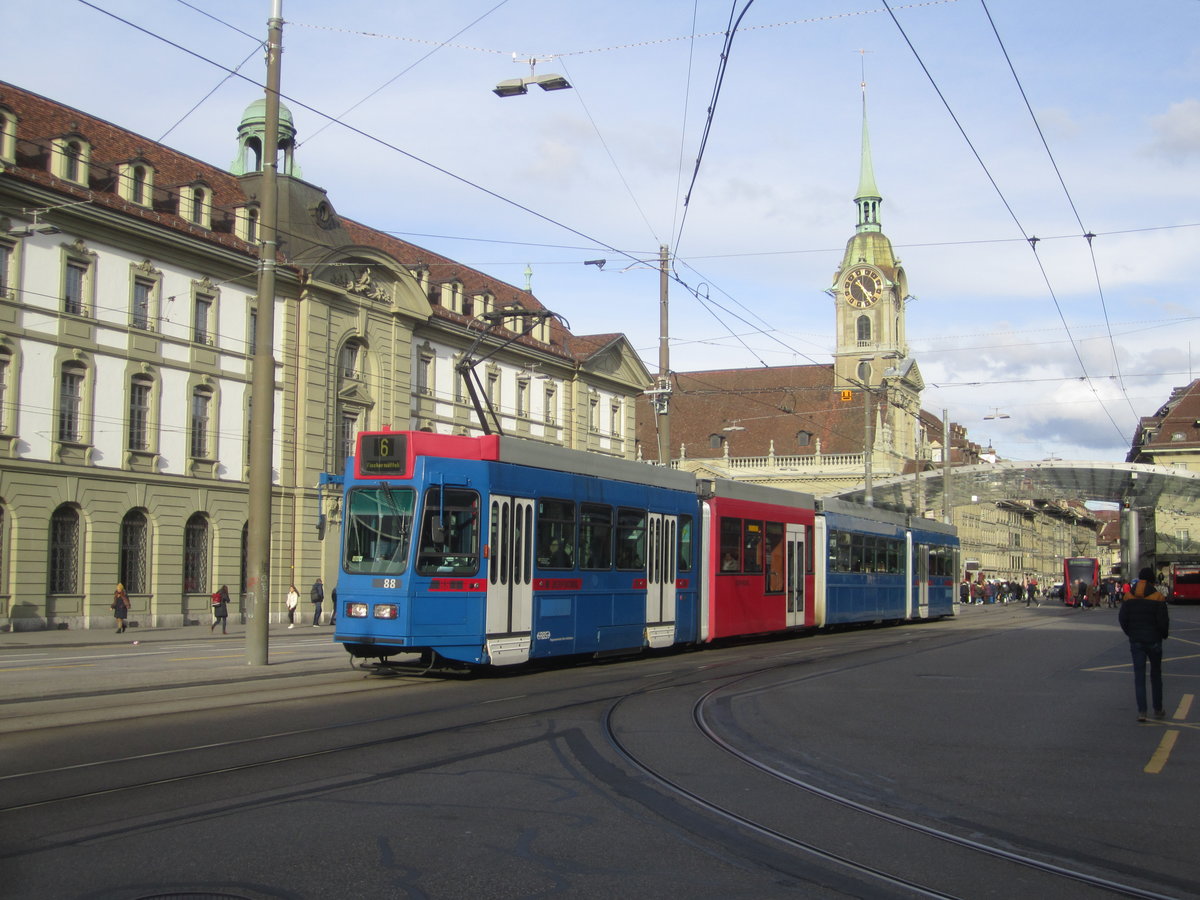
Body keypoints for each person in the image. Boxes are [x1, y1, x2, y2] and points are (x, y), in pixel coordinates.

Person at [1119, 567, 1170, 722]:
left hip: (1136, 641)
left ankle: (1142, 711)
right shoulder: (1158, 597)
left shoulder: (1128, 596)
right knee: (1155, 675)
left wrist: (1131, 634)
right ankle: (1158, 709)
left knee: (1139, 677)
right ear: (1152, 580)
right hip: (1154, 640)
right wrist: (1163, 635)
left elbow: (1123, 619)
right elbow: (1163, 621)